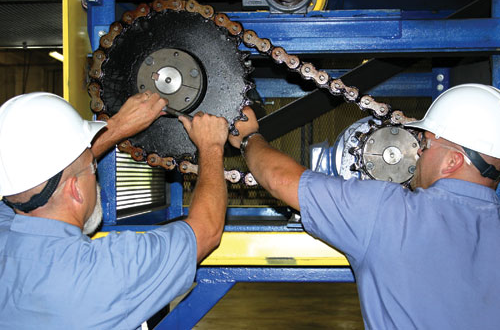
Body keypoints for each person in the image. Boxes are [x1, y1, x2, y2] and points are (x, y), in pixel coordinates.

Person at [228, 83, 500, 329]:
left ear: (452, 161)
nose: (418, 151)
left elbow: (280, 179)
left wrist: (249, 137)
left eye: (426, 144)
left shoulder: (391, 214)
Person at [0, 91, 228, 328]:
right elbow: (206, 230)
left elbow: (39, 182)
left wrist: (117, 127)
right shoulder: (107, 270)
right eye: (93, 167)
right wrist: (211, 145)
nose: (95, 171)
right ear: (75, 190)